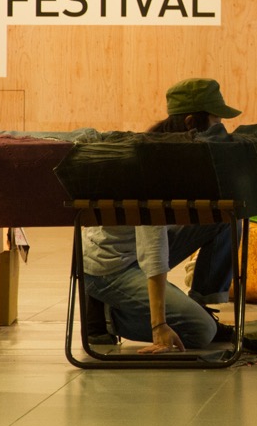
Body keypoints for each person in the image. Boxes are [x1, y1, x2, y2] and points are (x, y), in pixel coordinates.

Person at [81, 77, 241, 353]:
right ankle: (108, 317)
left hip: (132, 251)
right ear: (192, 123)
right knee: (202, 331)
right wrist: (159, 326)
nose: (221, 130)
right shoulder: (152, 165)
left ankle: (201, 307)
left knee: (227, 217)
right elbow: (152, 248)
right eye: (216, 122)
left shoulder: (176, 151)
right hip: (110, 268)